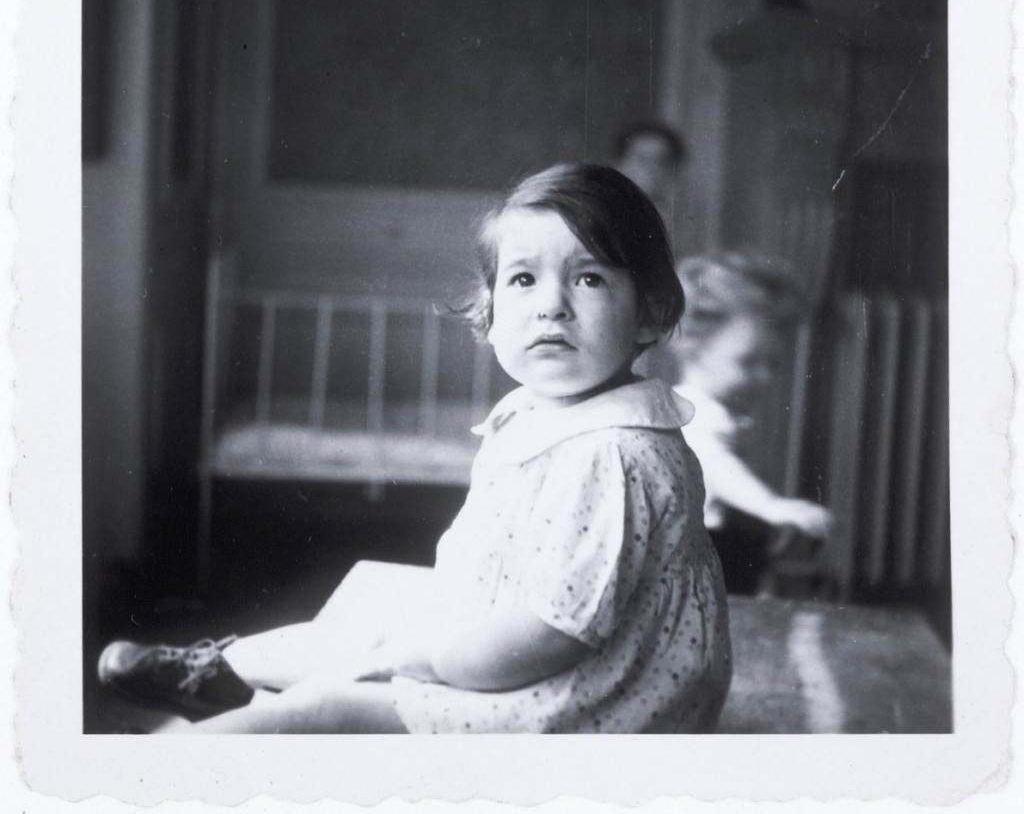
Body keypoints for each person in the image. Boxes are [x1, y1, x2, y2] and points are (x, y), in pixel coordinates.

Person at [98, 163, 732, 733]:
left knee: (324, 708)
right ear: (489, 315)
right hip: (525, 638)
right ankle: (224, 674)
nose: (550, 307)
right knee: (363, 625)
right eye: (522, 280)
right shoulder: (538, 412)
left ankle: (168, 775)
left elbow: (549, 636)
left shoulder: (612, 454)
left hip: (598, 700)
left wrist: (423, 661)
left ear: (649, 314)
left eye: (589, 278)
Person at [671, 253, 832, 594]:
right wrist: (770, 506)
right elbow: (717, 465)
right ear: (693, 347)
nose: (764, 376)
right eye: (747, 362)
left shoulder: (713, 411)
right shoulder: (693, 413)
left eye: (772, 363)